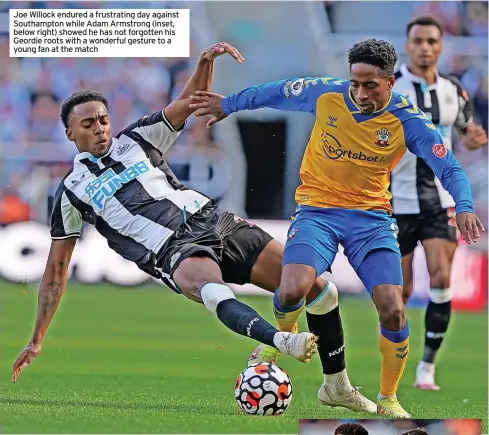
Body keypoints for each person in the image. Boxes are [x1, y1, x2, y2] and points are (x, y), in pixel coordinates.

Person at [9, 42, 375, 416]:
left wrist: (203, 62)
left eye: (103, 119)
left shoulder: (137, 140)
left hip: (212, 220)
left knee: (318, 288)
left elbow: (188, 103)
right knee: (210, 289)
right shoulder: (72, 191)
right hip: (170, 249)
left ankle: (338, 387)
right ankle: (279, 340)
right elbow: (55, 271)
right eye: (88, 124)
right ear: (70, 133)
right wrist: (37, 338)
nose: (100, 128)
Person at [188, 39, 484, 418]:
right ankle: (274, 344)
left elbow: (450, 168)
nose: (359, 93)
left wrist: (463, 206)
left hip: (372, 221)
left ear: (390, 82)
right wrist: (229, 104)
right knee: (293, 286)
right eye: (355, 83)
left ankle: (389, 398)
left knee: (393, 311)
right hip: (317, 211)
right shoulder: (326, 93)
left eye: (370, 86)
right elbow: (276, 92)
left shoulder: (408, 120)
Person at [391, 16, 487, 391]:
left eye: (431, 41)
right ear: (408, 44)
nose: (425, 47)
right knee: (397, 292)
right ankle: (395, 366)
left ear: (441, 46)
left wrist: (475, 139)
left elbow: (466, 133)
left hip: (440, 199)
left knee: (442, 276)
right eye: (418, 40)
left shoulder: (453, 90)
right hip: (394, 201)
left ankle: (426, 368)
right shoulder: (388, 86)